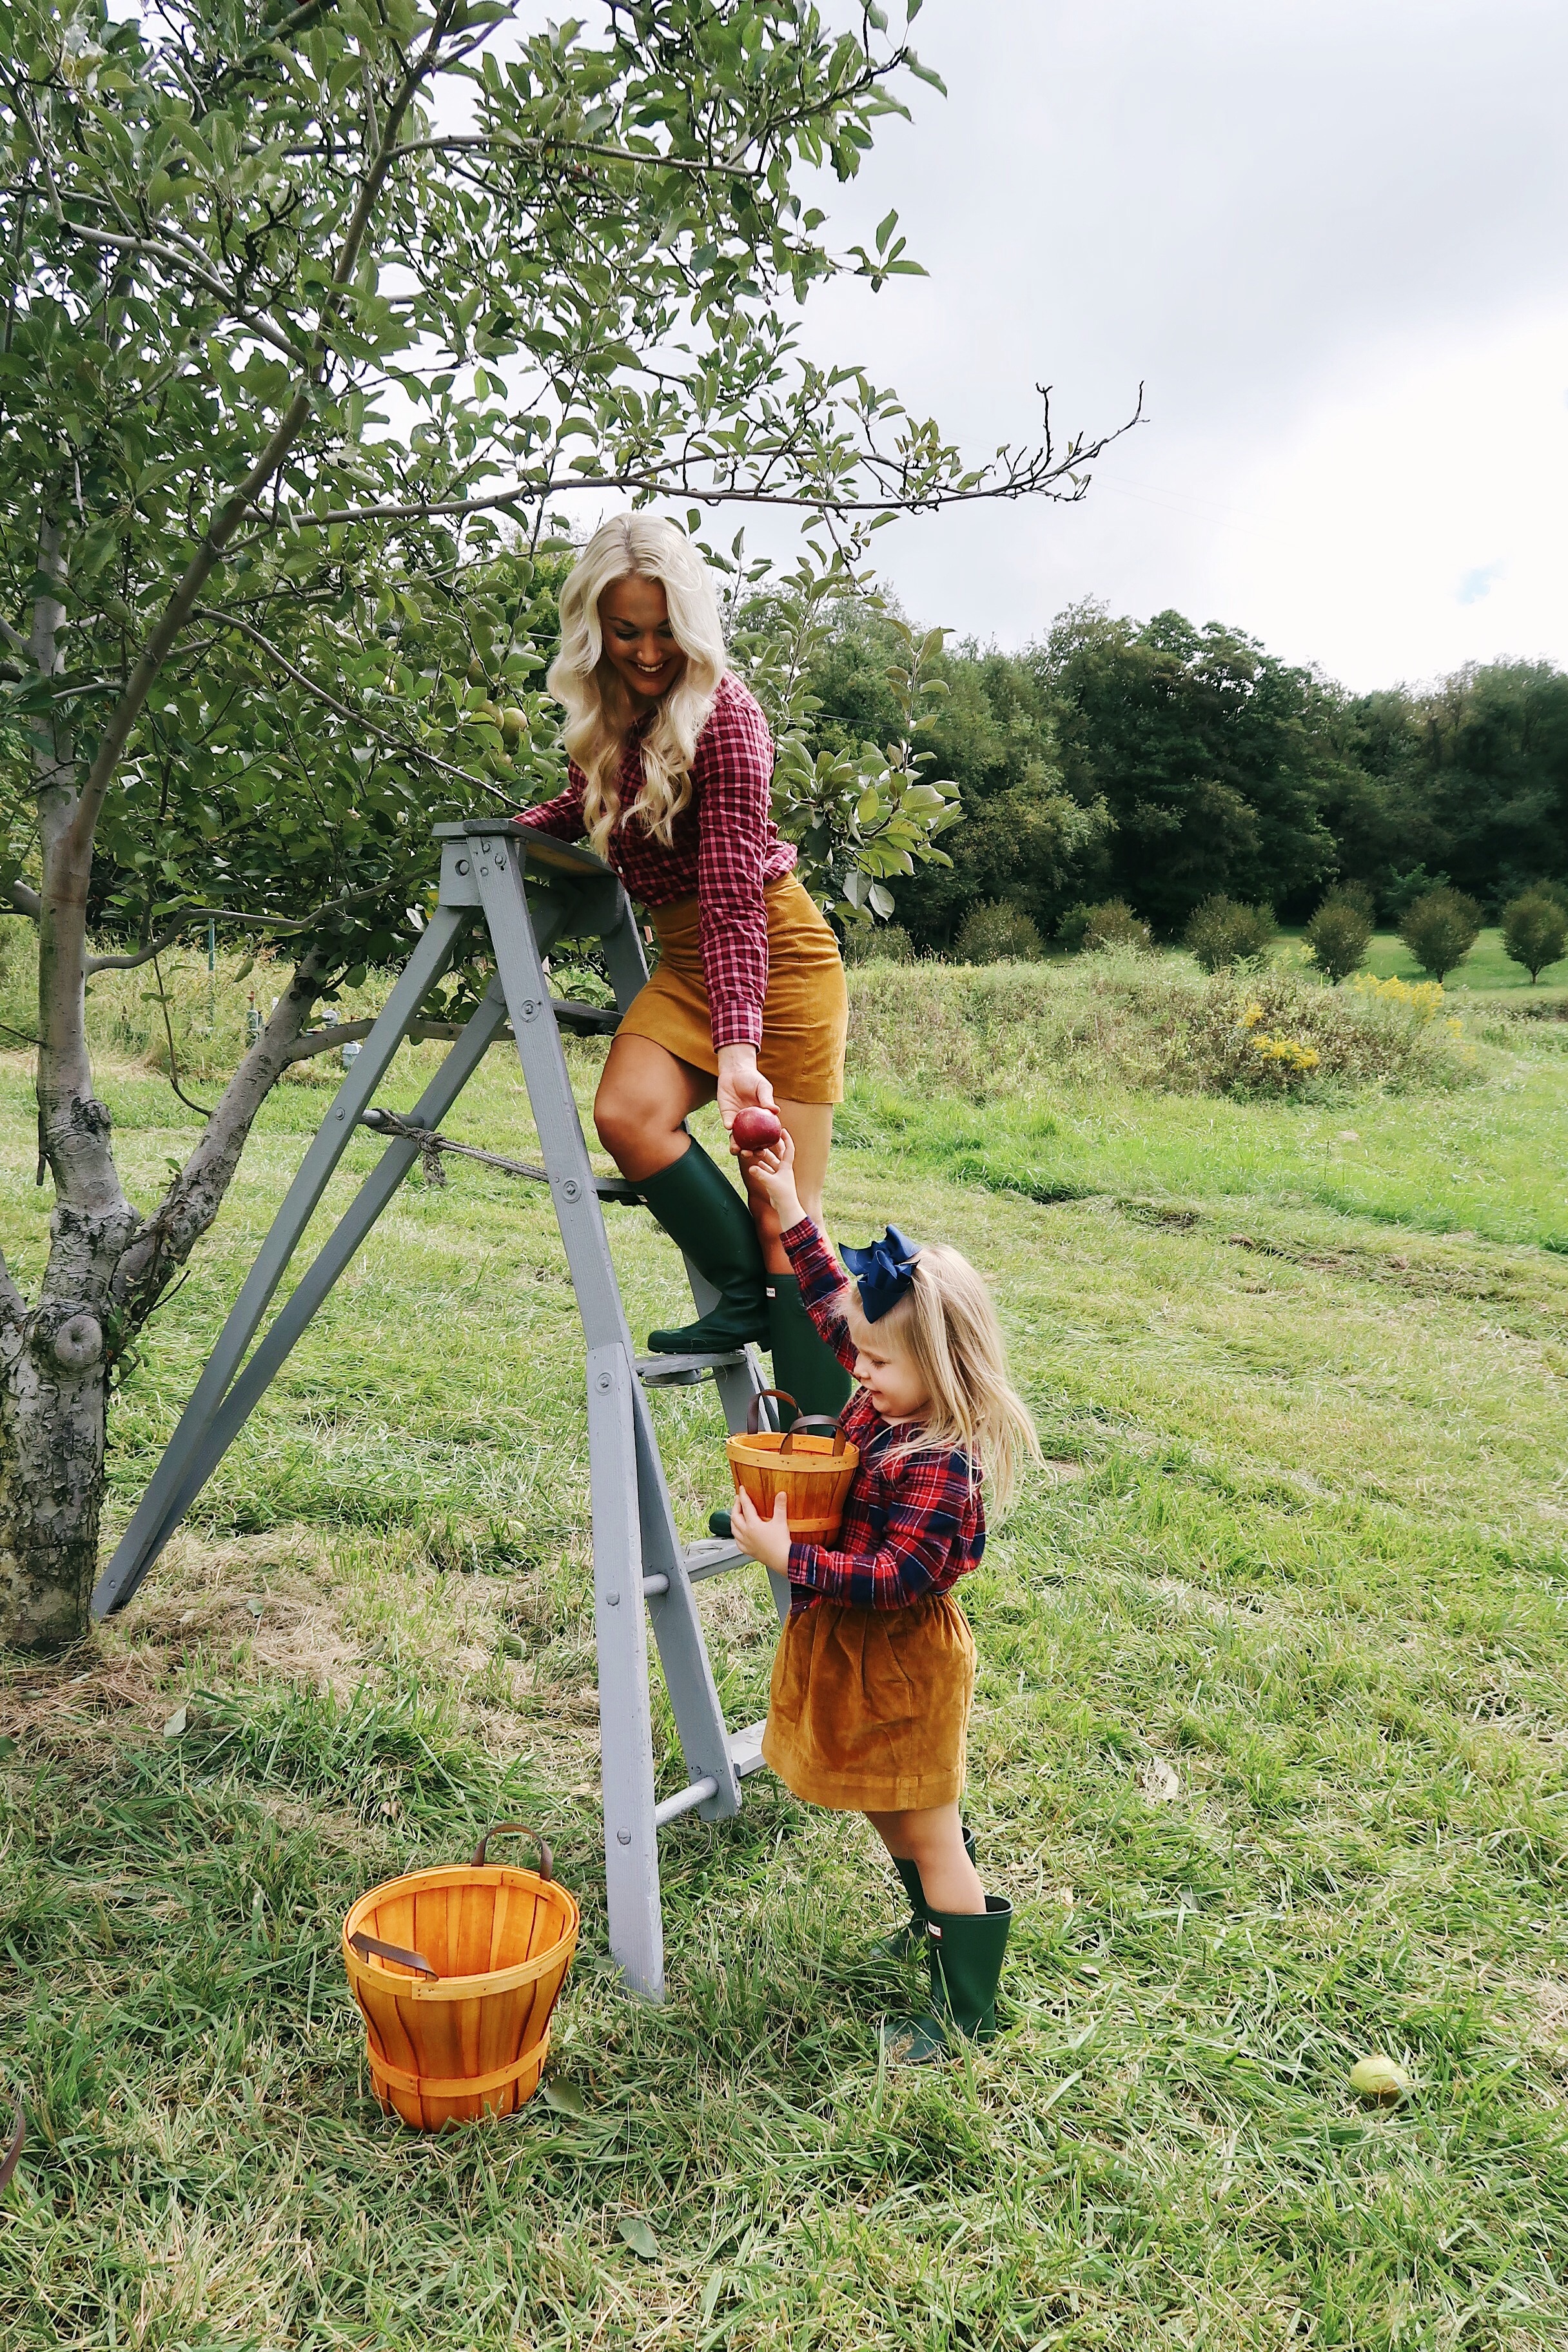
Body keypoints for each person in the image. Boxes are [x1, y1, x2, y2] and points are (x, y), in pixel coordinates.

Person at [521, 514, 850, 1424]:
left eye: (665, 629)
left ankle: (811, 1485)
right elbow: (606, 794)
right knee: (628, 1114)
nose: (648, 649)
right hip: (684, 958)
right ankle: (749, 1296)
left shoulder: (729, 716)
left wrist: (740, 1046)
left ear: (692, 623)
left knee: (787, 1212)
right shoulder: (614, 710)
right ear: (596, 628)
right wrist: (526, 831)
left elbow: (737, 897)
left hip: (773, 962)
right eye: (626, 631)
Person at [730, 1126, 1041, 2062]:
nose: (854, 1372)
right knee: (882, 1803)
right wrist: (788, 1204)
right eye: (859, 1359)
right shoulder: (885, 1389)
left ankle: (968, 2011)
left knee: (927, 1825)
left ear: (942, 1369)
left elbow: (901, 1578)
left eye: (876, 1363)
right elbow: (834, 1306)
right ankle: (936, 1929)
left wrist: (793, 1561)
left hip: (905, 1660)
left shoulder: (944, 1461)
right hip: (858, 1655)